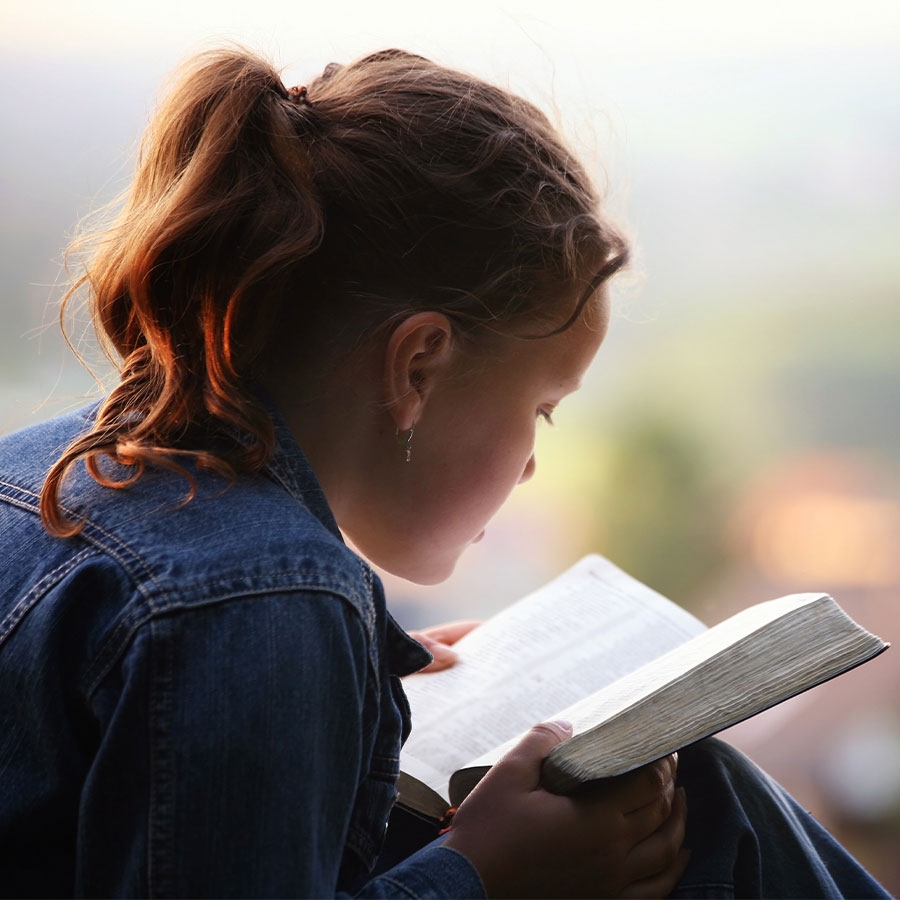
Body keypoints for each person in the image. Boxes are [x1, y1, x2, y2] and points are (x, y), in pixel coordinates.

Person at [0, 46, 889, 899]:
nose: (537, 460)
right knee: (686, 787)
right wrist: (489, 876)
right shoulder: (267, 599)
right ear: (418, 367)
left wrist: (358, 678)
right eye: (540, 408)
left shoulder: (32, 470)